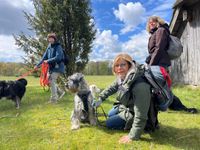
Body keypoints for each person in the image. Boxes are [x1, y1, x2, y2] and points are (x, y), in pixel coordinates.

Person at [93, 53, 151, 143]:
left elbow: (141, 114)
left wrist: (133, 136)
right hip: (127, 106)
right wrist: (100, 99)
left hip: (134, 113)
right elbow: (110, 88)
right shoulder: (123, 78)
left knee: (109, 123)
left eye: (123, 64)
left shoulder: (140, 85)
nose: (119, 68)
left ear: (129, 65)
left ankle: (138, 125)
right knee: (110, 114)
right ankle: (121, 116)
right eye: (117, 65)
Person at [146, 16, 197, 113]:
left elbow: (159, 48)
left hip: (159, 63)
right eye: (149, 22)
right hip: (157, 62)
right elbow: (154, 50)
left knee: (163, 87)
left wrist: (151, 64)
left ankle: (179, 107)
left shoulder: (161, 30)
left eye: (153, 21)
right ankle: (165, 106)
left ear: (158, 22)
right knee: (160, 87)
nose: (151, 23)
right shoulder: (155, 33)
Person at [34, 33, 65, 103]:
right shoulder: (49, 47)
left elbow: (58, 57)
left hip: (58, 67)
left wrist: (48, 61)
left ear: (54, 39)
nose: (50, 39)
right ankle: (60, 92)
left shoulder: (58, 46)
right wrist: (37, 65)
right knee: (49, 81)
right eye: (49, 38)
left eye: (52, 38)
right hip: (51, 67)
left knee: (51, 80)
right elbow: (44, 58)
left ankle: (54, 99)